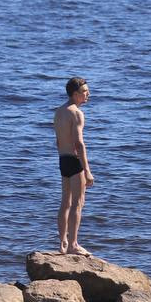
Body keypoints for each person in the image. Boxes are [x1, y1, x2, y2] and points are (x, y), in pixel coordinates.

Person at [53, 76, 94, 256]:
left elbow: (57, 141)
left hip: (63, 159)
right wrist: (87, 170)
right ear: (75, 94)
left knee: (65, 202)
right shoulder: (76, 113)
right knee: (78, 203)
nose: (88, 95)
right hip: (74, 160)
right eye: (84, 92)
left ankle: (63, 243)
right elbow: (79, 143)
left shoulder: (59, 112)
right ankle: (73, 244)